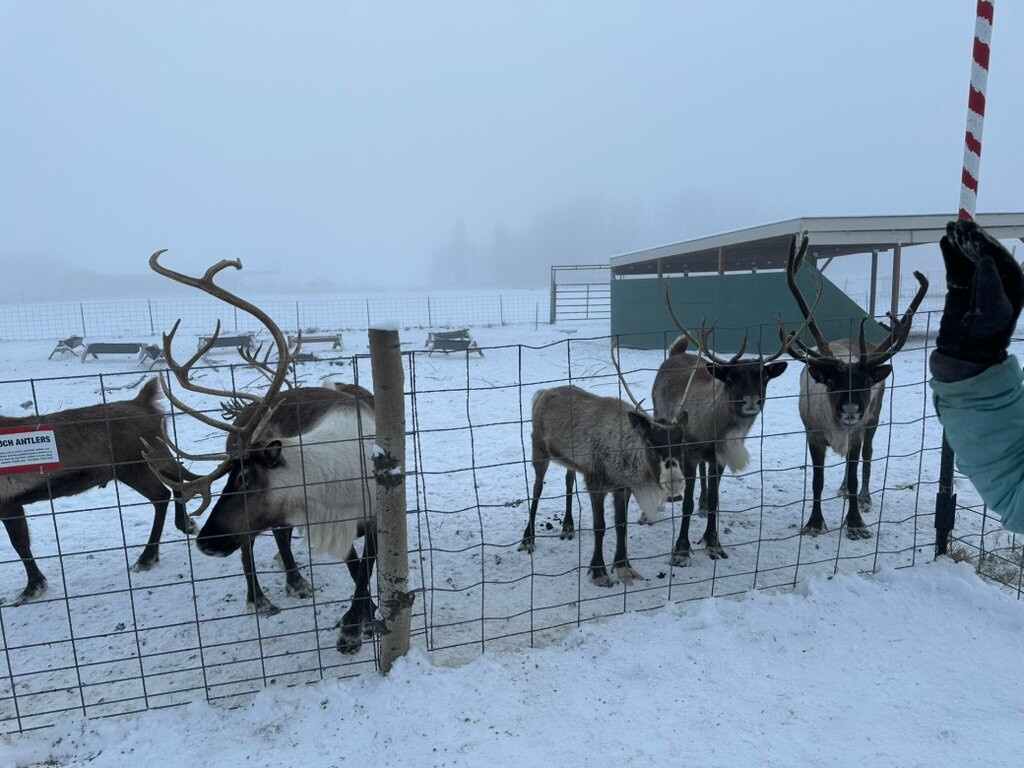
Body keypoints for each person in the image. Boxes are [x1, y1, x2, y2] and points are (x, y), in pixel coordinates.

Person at [930, 219, 1024, 534]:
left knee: (982, 336)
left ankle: (965, 290)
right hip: (966, 389)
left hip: (973, 394)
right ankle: (962, 290)